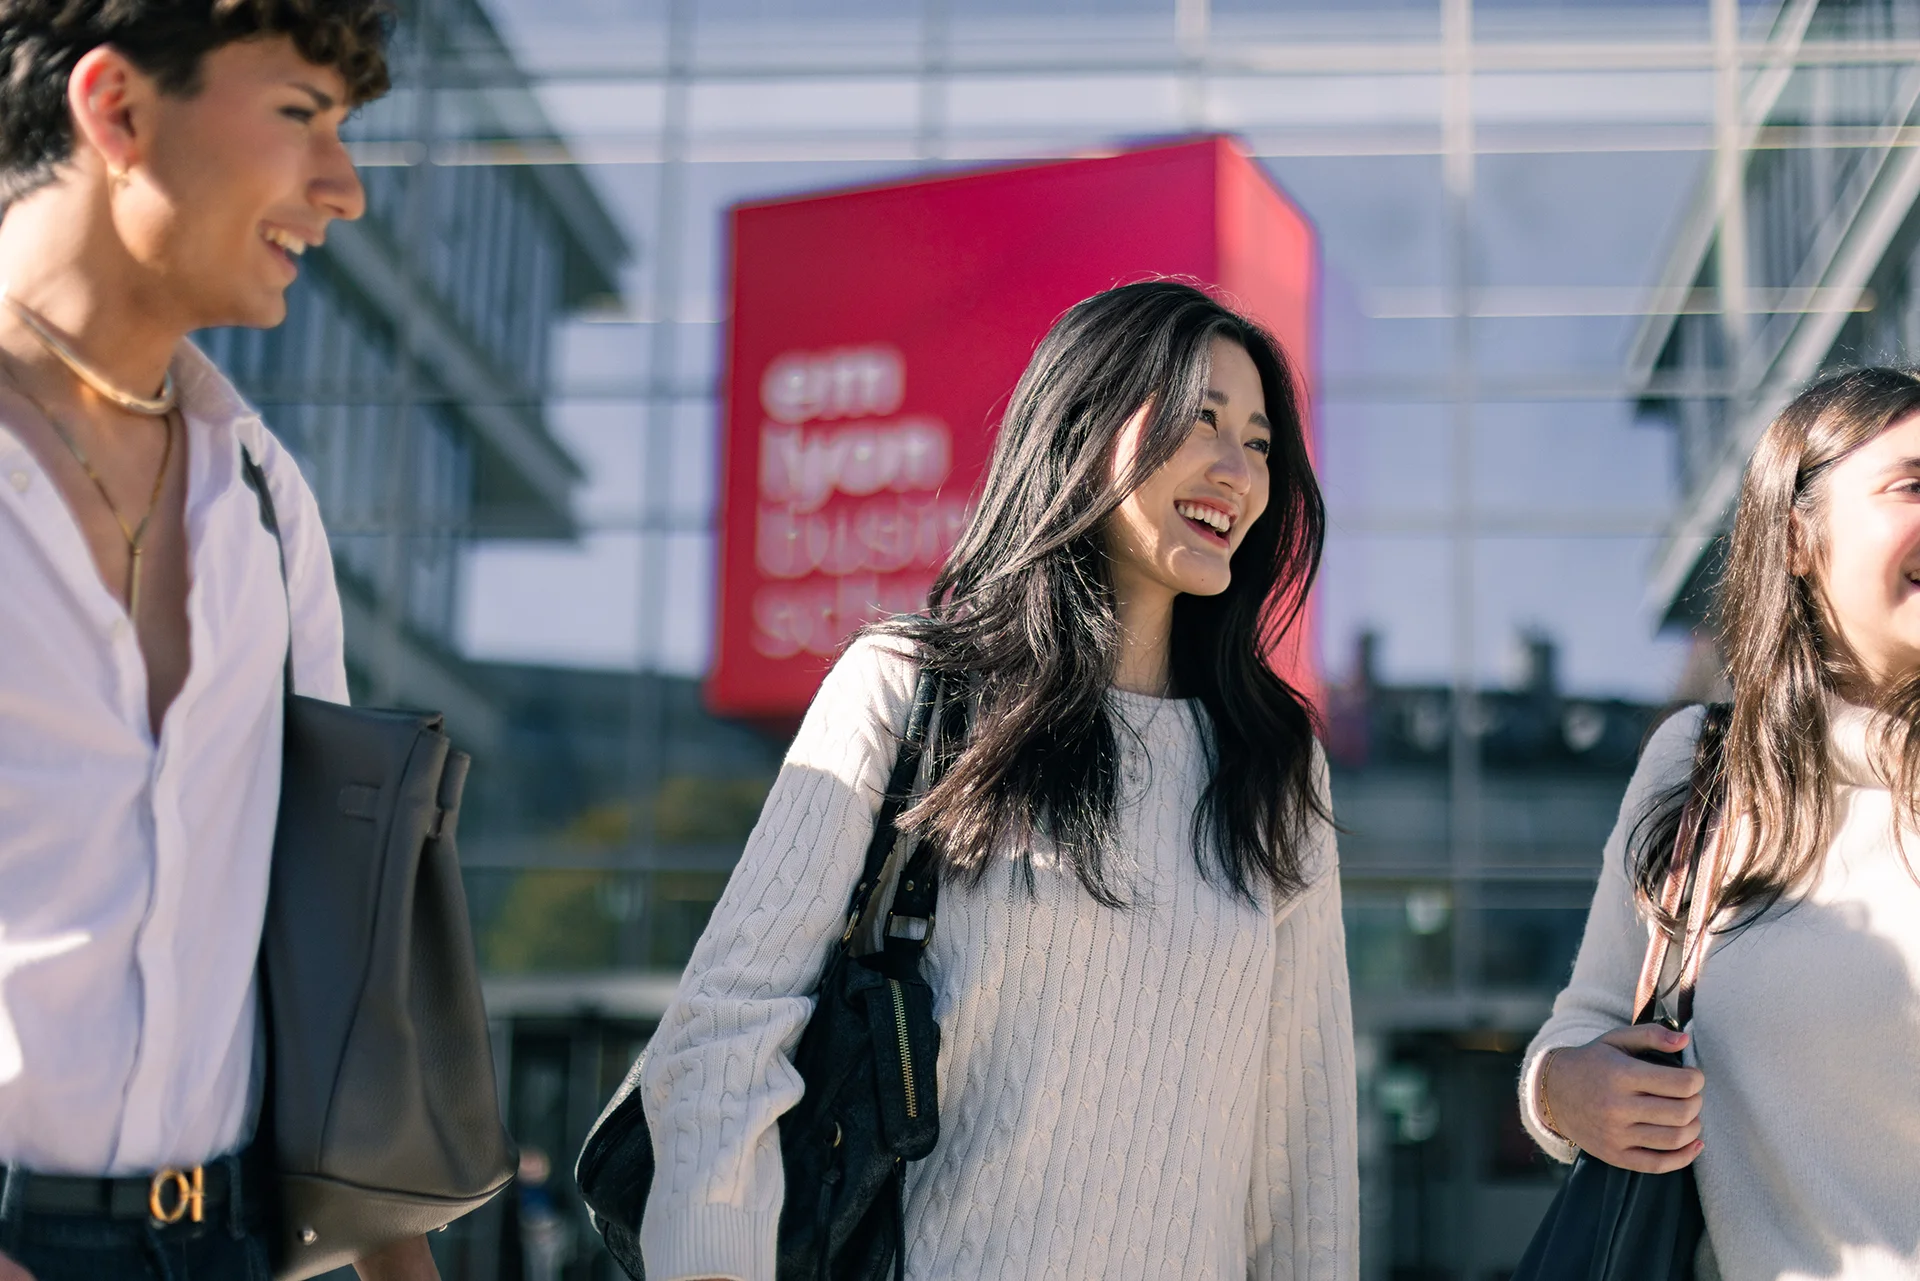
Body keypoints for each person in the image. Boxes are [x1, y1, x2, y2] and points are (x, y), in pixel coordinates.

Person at [633, 280, 1358, 1280]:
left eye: (1261, 441)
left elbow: (1302, 1157)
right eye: (1200, 420)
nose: (1238, 470)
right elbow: (727, 1031)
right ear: (1081, 424)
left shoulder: (1275, 763)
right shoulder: (909, 691)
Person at [0, 1, 438, 1277]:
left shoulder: (260, 496)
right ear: (117, 109)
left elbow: (332, 921)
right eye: (301, 116)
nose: (344, 189)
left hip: (215, 1243)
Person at [1521, 368, 1920, 1279]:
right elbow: (1575, 1032)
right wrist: (1566, 1092)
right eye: (1913, 484)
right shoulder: (1703, 770)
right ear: (1797, 535)